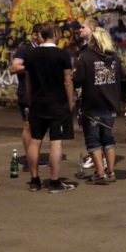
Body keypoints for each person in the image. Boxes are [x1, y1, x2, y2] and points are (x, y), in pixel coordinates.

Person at [24, 21, 77, 193]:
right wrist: (70, 103)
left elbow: (28, 82)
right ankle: (54, 183)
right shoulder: (62, 55)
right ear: (55, 34)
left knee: (35, 141)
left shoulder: (31, 55)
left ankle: (34, 181)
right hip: (57, 104)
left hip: (38, 104)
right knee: (55, 143)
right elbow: (68, 82)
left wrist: (30, 101)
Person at [73, 20, 123, 184]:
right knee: (108, 138)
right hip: (111, 106)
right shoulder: (115, 58)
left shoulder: (85, 57)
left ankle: (100, 174)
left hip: (92, 107)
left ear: (94, 39)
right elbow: (120, 78)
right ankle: (111, 171)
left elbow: (77, 81)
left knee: (93, 140)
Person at [10, 23, 44, 172]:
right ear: (35, 35)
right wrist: (31, 66)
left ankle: (35, 156)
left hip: (41, 94)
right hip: (27, 94)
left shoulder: (45, 50)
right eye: (43, 33)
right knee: (28, 126)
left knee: (39, 127)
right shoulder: (25, 49)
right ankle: (29, 160)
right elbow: (14, 68)